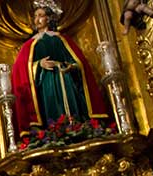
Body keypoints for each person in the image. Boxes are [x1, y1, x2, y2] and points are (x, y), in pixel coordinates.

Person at [11, 1, 109, 137]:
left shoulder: (61, 39)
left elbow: (79, 63)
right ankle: (52, 130)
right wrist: (38, 65)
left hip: (65, 79)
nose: (37, 19)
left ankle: (77, 127)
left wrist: (71, 66)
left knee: (71, 111)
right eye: (35, 16)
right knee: (51, 109)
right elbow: (19, 72)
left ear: (49, 18)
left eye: (41, 15)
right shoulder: (29, 45)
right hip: (46, 83)